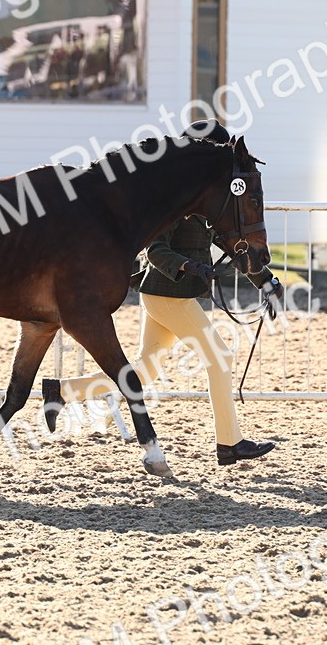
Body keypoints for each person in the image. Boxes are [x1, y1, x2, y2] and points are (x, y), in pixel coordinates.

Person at [41, 122, 281, 465]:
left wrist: (266, 281)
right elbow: (156, 249)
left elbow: (228, 241)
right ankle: (229, 443)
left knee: (145, 370)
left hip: (169, 296)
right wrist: (188, 266)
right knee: (221, 359)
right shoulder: (172, 196)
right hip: (169, 294)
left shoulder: (204, 198)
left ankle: (61, 391)